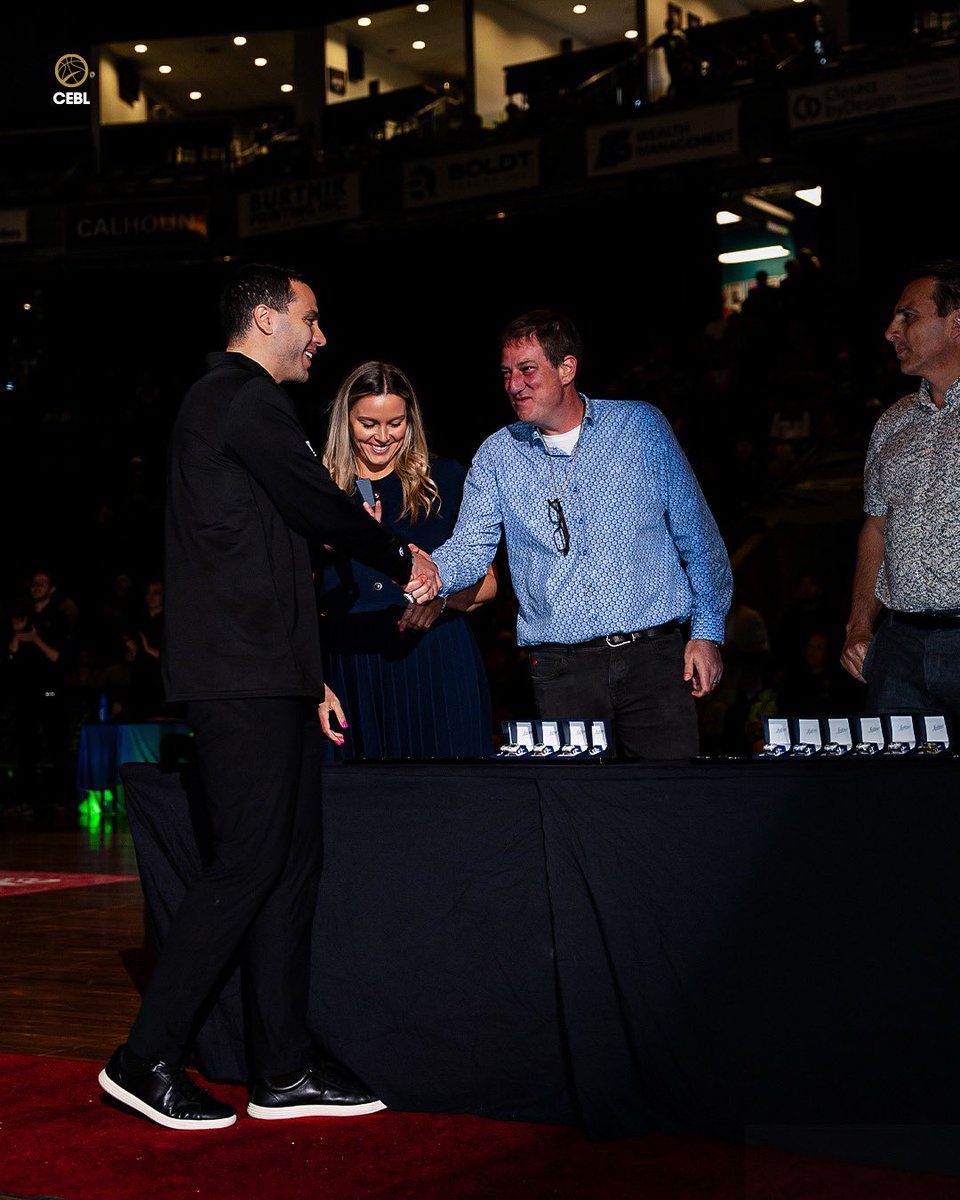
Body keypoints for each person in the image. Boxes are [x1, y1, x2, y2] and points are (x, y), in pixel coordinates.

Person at [98, 263, 439, 1132]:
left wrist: (304, 670)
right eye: (310, 320)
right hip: (238, 679)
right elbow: (317, 505)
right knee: (251, 863)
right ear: (264, 319)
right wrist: (401, 556)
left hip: (268, 673)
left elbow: (263, 555)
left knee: (289, 866)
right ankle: (144, 1058)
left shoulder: (237, 407)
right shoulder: (240, 398)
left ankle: (282, 1069)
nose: (321, 337)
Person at [429, 309, 732, 760]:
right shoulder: (497, 454)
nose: (514, 385)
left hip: (654, 658)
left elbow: (698, 536)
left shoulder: (640, 427)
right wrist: (423, 570)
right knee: (578, 800)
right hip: (561, 670)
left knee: (669, 795)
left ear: (566, 368)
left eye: (527, 370)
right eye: (506, 373)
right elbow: (470, 549)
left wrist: (706, 633)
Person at [317, 361, 496, 760]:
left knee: (451, 790)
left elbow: (489, 584)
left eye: (395, 423)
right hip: (351, 668)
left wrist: (439, 600)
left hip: (435, 661)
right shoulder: (319, 490)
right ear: (345, 420)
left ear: (410, 420)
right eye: (368, 424)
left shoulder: (444, 480)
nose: (383, 437)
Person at [840, 259, 960, 715]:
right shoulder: (892, 423)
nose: (891, 331)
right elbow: (876, 526)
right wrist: (858, 626)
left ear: (956, 321)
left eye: (908, 316)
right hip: (900, 646)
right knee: (892, 763)